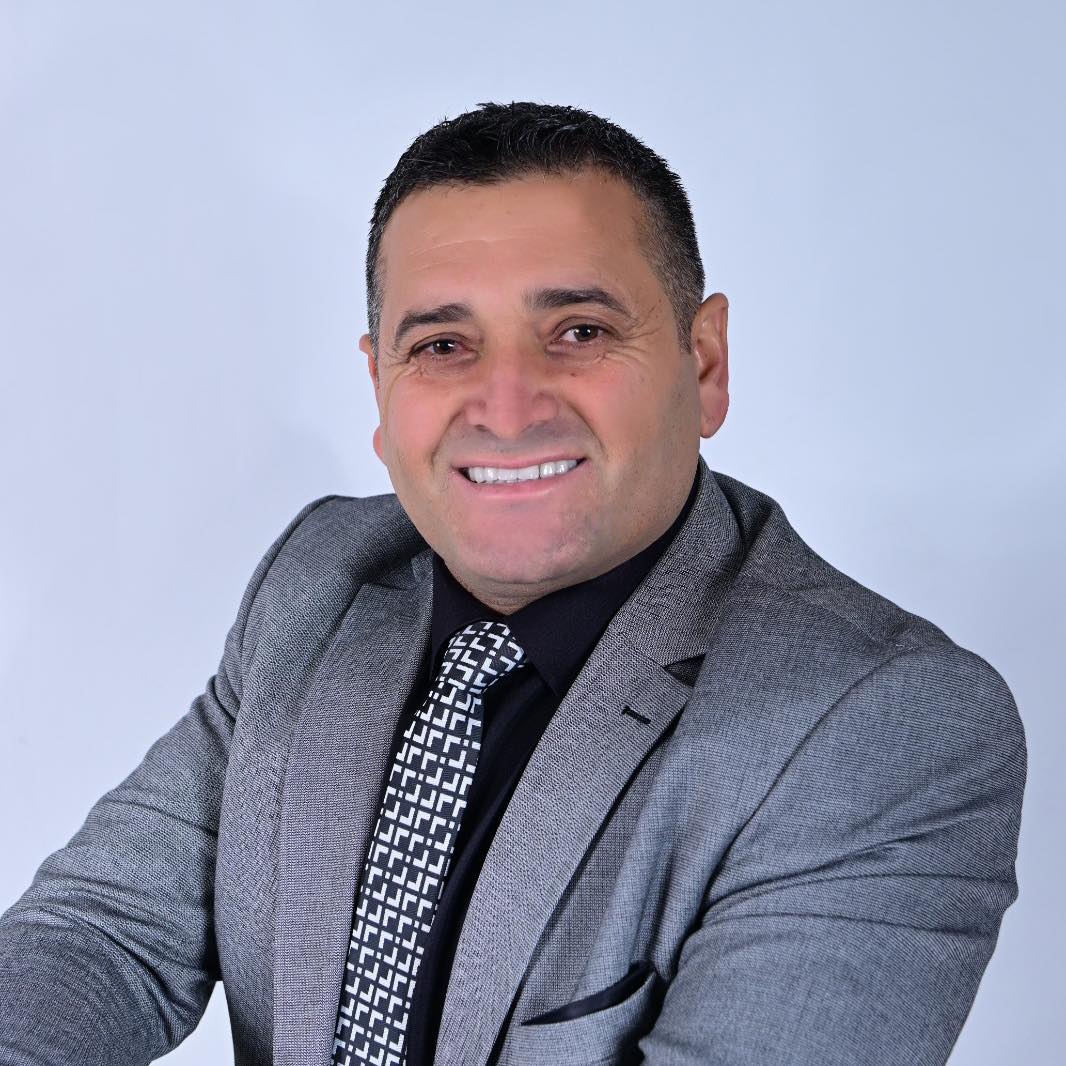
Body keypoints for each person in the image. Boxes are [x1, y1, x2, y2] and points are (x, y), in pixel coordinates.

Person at [0, 102, 1026, 1066]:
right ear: (379, 386)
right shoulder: (324, 579)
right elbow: (100, 935)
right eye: (443, 345)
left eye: (578, 331)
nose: (507, 404)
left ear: (704, 364)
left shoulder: (882, 722)